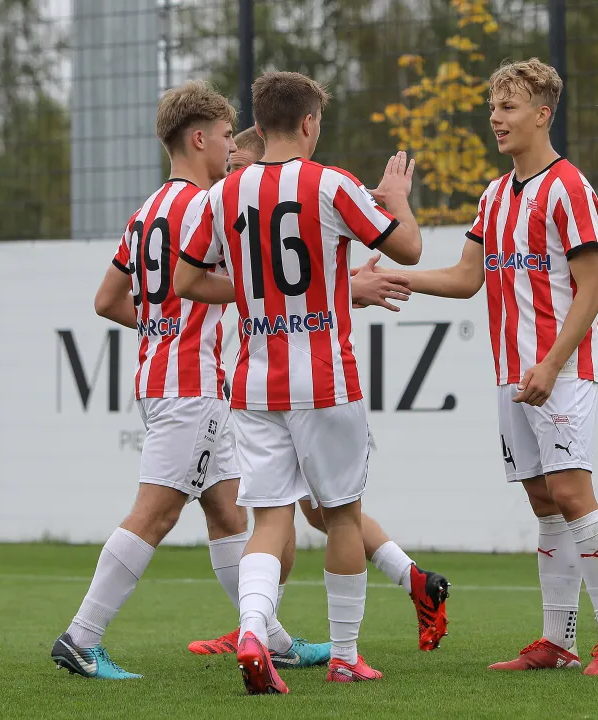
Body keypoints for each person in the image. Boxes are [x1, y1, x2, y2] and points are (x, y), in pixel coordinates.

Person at [52, 81, 334, 679]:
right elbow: (264, 275)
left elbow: (107, 300)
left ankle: (271, 636)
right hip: (192, 387)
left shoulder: (147, 210)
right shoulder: (208, 205)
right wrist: (338, 289)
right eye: (229, 136)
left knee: (230, 515)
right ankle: (82, 636)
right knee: (153, 514)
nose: (234, 147)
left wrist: (161, 325)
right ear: (200, 137)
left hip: (161, 379)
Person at [175, 70, 423, 694]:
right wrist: (395, 196)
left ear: (258, 126)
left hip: (255, 383)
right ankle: (344, 656)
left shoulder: (223, 194)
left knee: (268, 520)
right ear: (310, 123)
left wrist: (257, 294)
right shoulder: (333, 185)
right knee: (342, 517)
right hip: (325, 380)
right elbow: (411, 250)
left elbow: (186, 283)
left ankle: (254, 630)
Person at [383, 58, 598, 675]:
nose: (496, 117)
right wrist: (395, 276)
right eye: (494, 106)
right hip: (513, 374)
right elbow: (467, 278)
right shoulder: (495, 194)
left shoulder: (569, 187)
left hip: (563, 370)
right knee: (544, 501)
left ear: (543, 114)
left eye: (510, 106)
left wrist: (552, 363)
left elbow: (593, 288)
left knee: (573, 493)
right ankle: (557, 641)